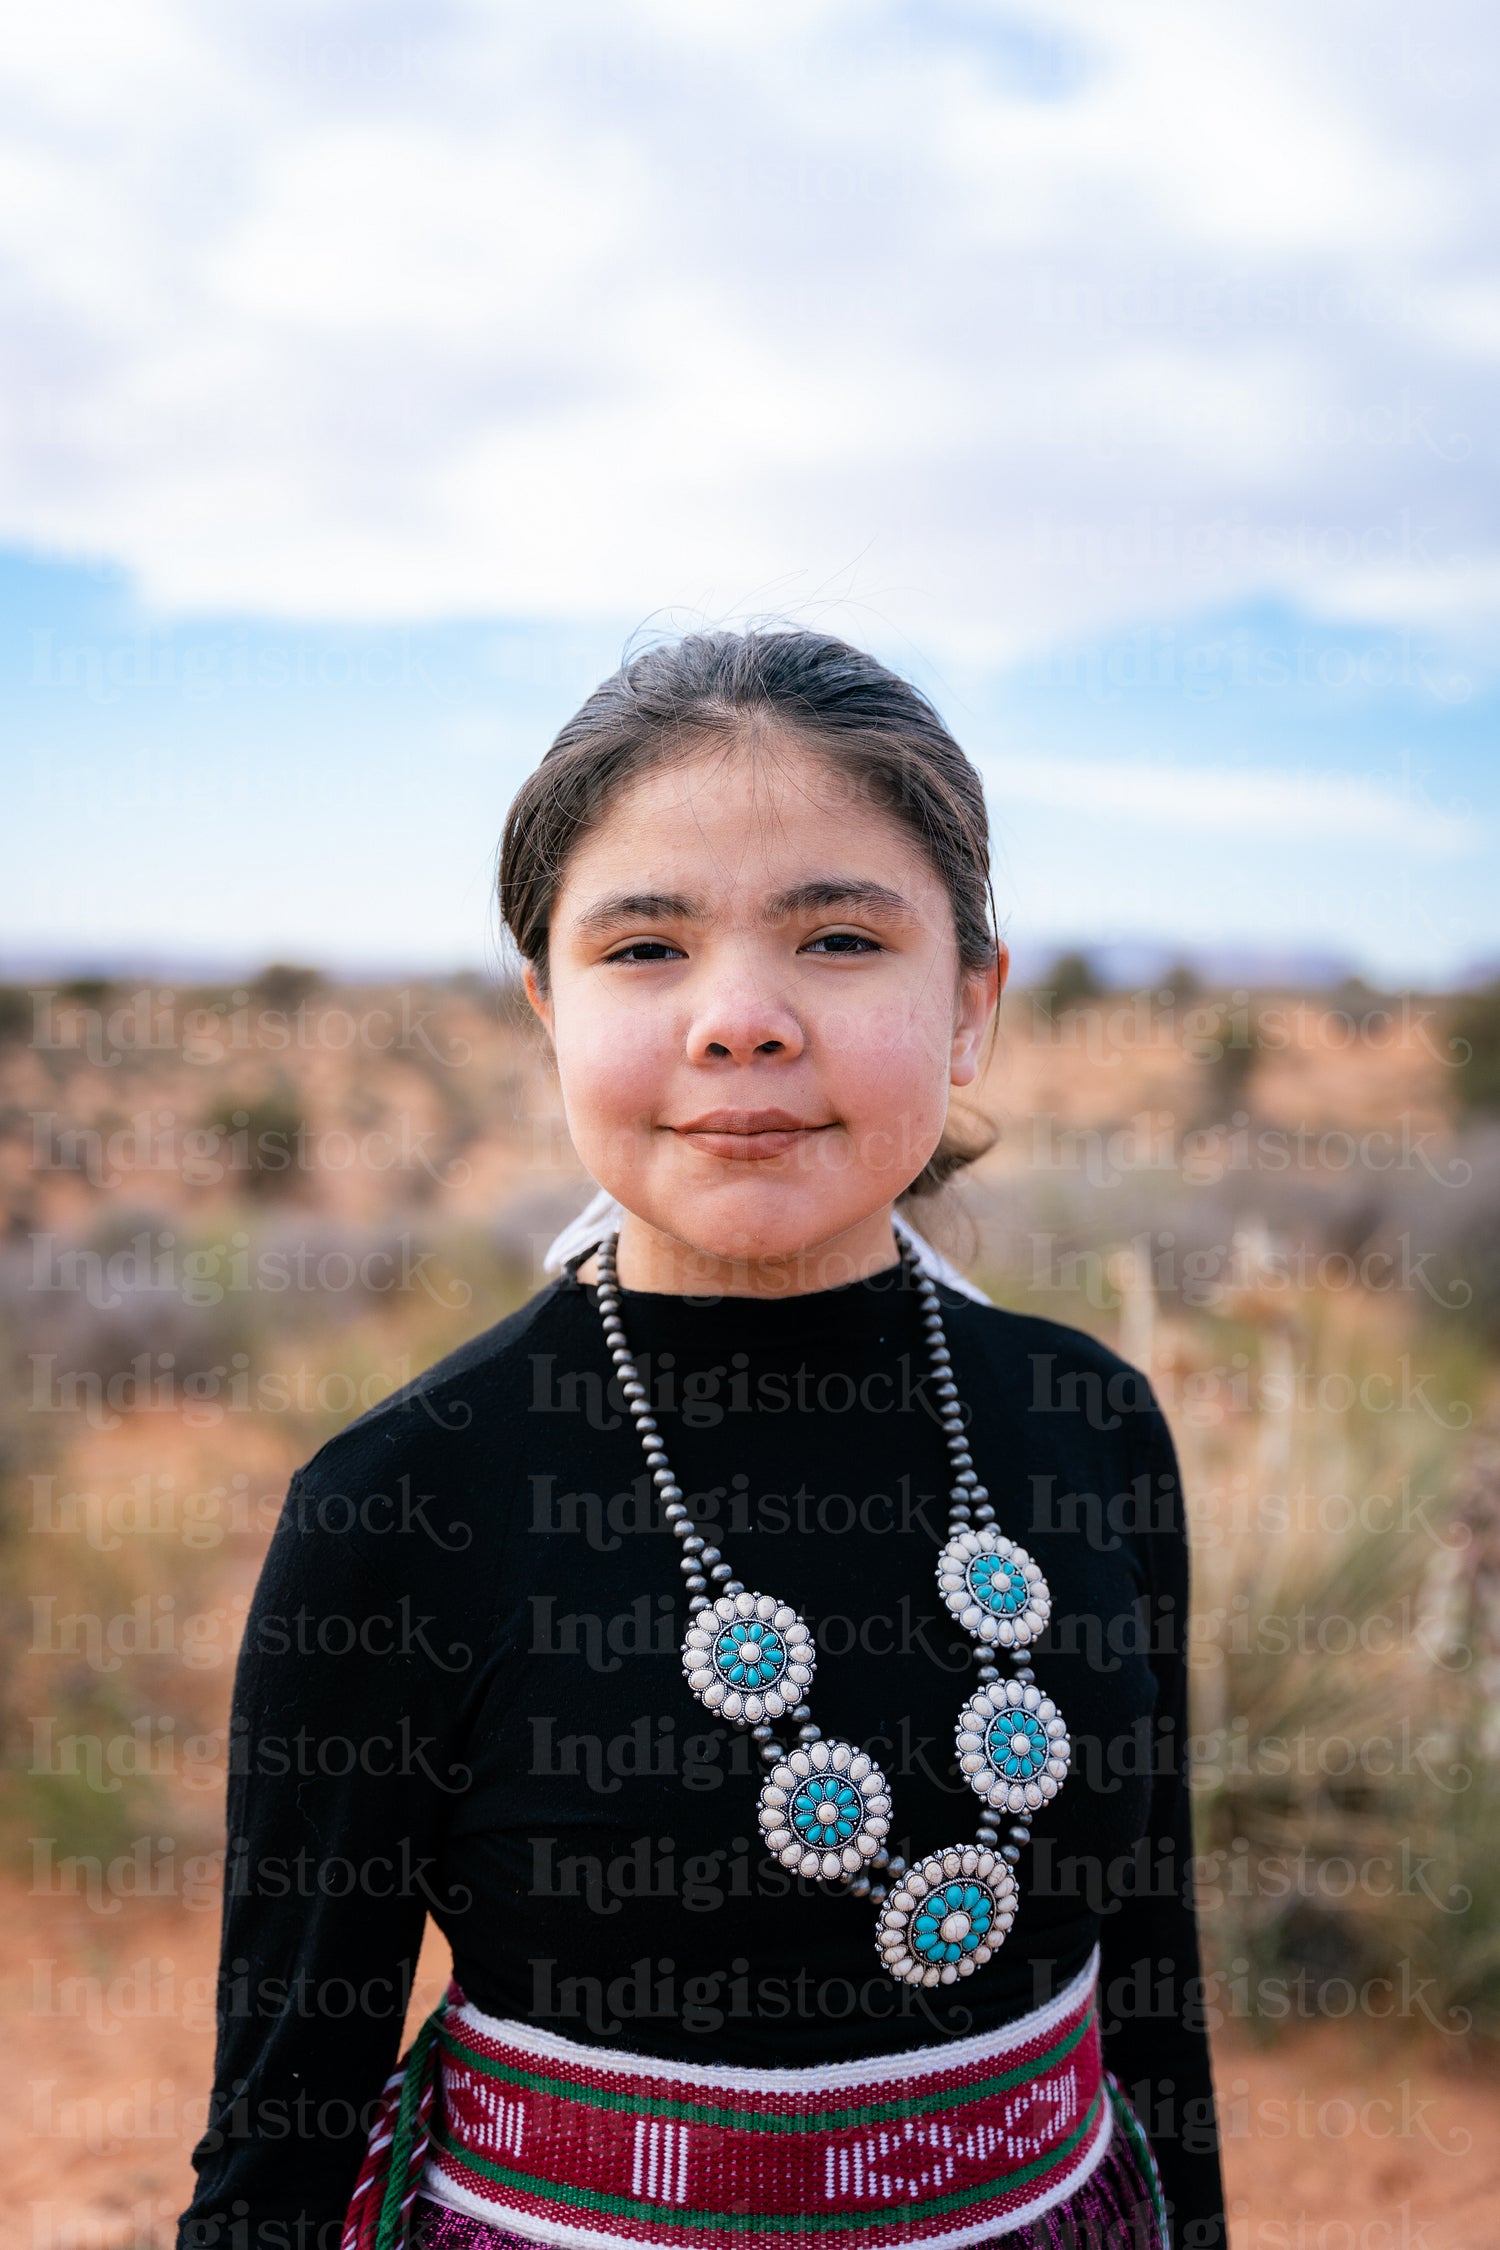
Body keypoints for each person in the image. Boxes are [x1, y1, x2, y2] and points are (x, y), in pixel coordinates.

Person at [177, 629, 1227, 2250]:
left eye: (838, 935)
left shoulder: (1090, 1424)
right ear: (547, 1007)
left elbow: (1149, 1989)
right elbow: (278, 2140)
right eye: (645, 948)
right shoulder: (408, 1505)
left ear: (971, 1005)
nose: (741, 1018)